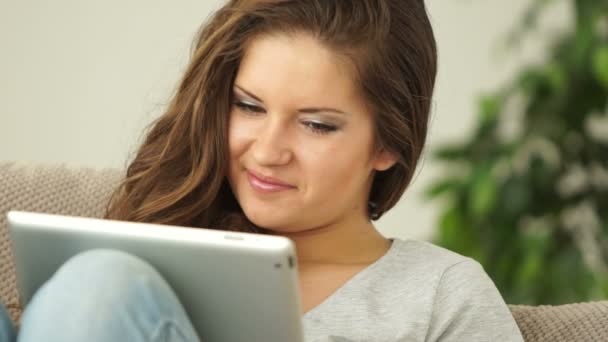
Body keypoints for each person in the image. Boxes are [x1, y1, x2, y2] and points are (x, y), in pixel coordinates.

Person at [0, 0, 524, 341]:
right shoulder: (158, 245)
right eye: (249, 106)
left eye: (316, 125)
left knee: (100, 282)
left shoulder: (441, 292)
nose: (268, 150)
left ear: (388, 142)